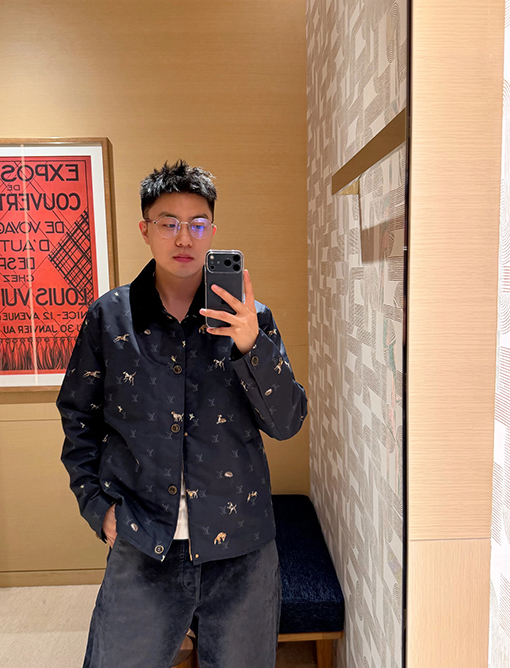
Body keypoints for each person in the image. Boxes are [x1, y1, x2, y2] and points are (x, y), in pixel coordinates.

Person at [57, 159, 307, 668]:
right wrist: (96, 507)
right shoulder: (110, 318)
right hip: (142, 539)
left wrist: (251, 346)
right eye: (168, 223)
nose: (184, 237)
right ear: (145, 230)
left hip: (241, 547)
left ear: (213, 230)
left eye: (197, 224)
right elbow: (79, 418)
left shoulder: (251, 320)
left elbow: (286, 423)